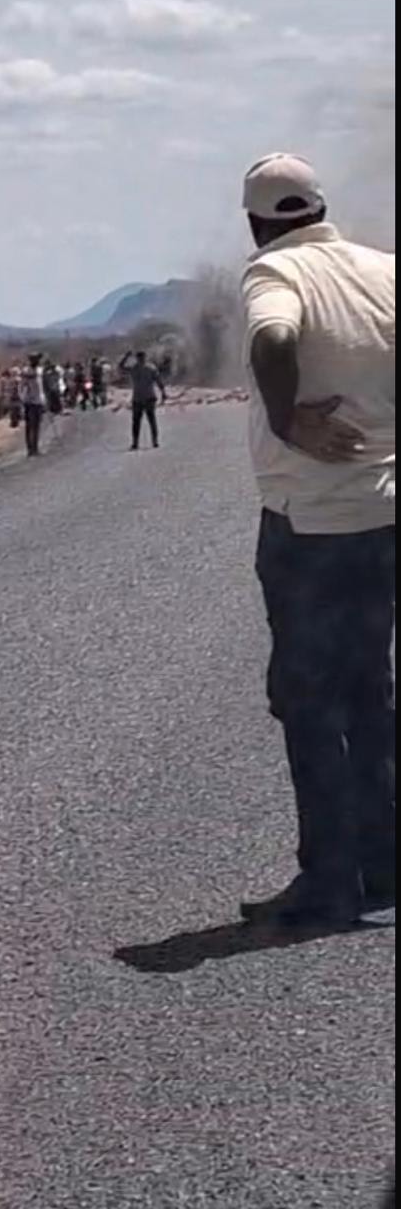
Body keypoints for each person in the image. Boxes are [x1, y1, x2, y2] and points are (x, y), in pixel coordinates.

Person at [239, 153, 396, 927]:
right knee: (369, 687)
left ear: (256, 224)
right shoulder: (383, 270)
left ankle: (328, 881)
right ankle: (383, 860)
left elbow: (272, 338)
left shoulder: (274, 274)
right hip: (383, 515)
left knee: (304, 700)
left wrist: (284, 417)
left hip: (309, 523)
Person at [120, 350, 167, 450]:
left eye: (142, 358)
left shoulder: (148, 368)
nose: (141, 359)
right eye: (140, 358)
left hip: (146, 398)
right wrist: (163, 393)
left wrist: (163, 392)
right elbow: (121, 368)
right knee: (140, 422)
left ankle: (151, 441)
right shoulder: (140, 368)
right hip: (141, 398)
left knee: (148, 421)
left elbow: (159, 381)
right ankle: (139, 442)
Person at [20, 353, 46, 458]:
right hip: (30, 402)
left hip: (38, 401)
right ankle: (30, 449)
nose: (38, 361)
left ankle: (34, 448)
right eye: (36, 359)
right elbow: (22, 387)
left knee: (36, 426)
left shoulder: (39, 371)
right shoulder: (27, 372)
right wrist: (24, 399)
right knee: (30, 426)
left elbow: (42, 387)